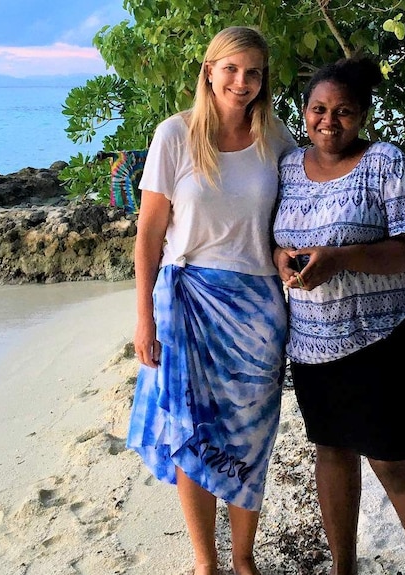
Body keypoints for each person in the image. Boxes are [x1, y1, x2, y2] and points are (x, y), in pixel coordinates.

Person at [127, 26, 296, 575]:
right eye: (231, 69)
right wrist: (143, 320)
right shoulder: (175, 135)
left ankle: (243, 560)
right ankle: (208, 563)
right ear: (209, 69)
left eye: (253, 73)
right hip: (187, 303)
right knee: (189, 431)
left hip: (259, 311)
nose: (241, 82)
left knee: (251, 435)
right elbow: (149, 234)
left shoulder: (278, 138)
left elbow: (291, 222)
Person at [272, 57, 405, 575]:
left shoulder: (386, 162)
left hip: (382, 337)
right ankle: (342, 568)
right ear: (303, 111)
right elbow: (274, 237)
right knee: (330, 452)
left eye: (344, 111)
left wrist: (341, 257)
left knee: (394, 462)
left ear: (364, 115)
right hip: (310, 340)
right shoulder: (287, 166)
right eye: (319, 109)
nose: (329, 121)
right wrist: (280, 257)